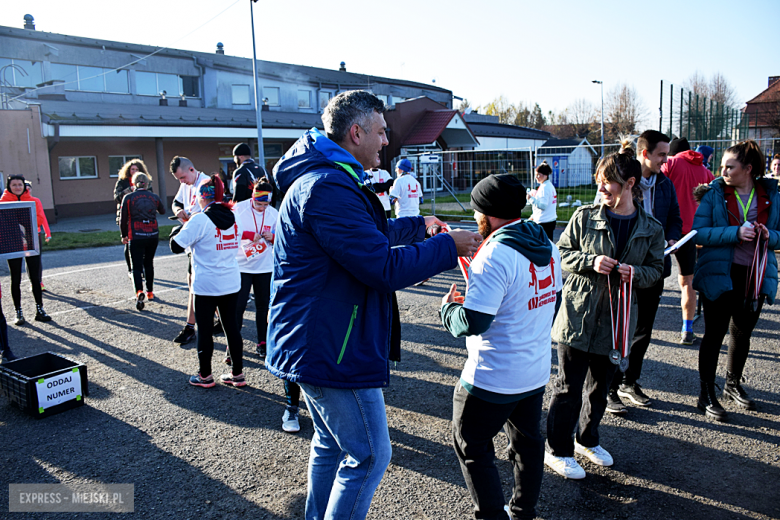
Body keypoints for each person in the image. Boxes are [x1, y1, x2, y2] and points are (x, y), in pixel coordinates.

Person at [266, 90, 481, 519]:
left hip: (322, 340)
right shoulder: (327, 186)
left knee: (331, 443)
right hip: (332, 347)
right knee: (368, 456)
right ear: (356, 132)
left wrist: (419, 226)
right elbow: (381, 265)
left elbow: (367, 234)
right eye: (381, 132)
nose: (387, 141)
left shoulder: (330, 176)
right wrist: (444, 245)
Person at [440, 174, 562, 520]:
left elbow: (474, 323)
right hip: (534, 371)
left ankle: (491, 516)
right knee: (527, 444)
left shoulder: (493, 253)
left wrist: (448, 310)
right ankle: (523, 511)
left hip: (491, 376)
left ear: (486, 214)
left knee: (472, 445)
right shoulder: (546, 244)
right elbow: (551, 300)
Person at [544, 142, 664, 479]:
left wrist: (636, 273)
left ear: (629, 184)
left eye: (606, 182)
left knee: (599, 388)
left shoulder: (651, 228)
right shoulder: (584, 217)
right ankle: (557, 449)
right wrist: (590, 261)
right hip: (578, 317)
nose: (600, 188)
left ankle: (587, 439)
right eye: (598, 180)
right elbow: (562, 254)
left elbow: (657, 270)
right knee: (568, 388)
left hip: (618, 320)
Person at [692, 140, 780, 421]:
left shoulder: (772, 195)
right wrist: (734, 233)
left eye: (729, 166)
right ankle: (705, 394)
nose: (723, 171)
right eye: (721, 166)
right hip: (719, 273)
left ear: (748, 168)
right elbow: (699, 233)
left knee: (742, 333)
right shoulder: (714, 193)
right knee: (715, 334)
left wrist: (770, 236)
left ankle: (733, 384)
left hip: (755, 274)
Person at [607, 131, 681, 414]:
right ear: (645, 153)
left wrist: (673, 238)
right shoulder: (626, 181)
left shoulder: (665, 184)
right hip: (624, 269)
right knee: (618, 330)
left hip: (653, 268)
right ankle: (610, 388)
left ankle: (629, 381)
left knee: (643, 331)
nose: (666, 159)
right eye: (662, 154)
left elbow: (674, 217)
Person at [169, 174, 245, 388]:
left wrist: (181, 228)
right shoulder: (235, 216)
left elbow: (175, 246)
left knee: (204, 330)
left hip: (206, 284)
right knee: (232, 328)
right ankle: (237, 374)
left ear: (202, 197)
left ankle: (205, 375)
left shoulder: (200, 219)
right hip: (231, 281)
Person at [662, 138, 715, 344]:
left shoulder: (671, 164)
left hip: (668, 231)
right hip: (694, 234)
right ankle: (687, 329)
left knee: (651, 279)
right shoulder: (706, 172)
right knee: (687, 282)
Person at [0, 175, 53, 325]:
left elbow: (39, 219)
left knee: (35, 277)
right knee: (15, 278)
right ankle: (18, 311)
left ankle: (40, 309)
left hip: (31, 242)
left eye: (20, 184)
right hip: (13, 243)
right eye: (14, 185)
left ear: (24, 186)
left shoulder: (33, 201)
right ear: (9, 186)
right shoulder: (3, 202)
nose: (17, 187)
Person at [170, 156, 210, 346]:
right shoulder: (186, 184)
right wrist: (178, 211)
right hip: (191, 239)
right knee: (193, 283)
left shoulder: (206, 182)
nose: (182, 182)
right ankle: (198, 324)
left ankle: (190, 327)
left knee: (196, 284)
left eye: (183, 177)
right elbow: (176, 202)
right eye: (179, 180)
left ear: (192, 170)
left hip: (205, 241)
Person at [119, 172, 165, 310]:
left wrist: (124, 235)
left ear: (133, 183)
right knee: (149, 263)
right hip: (152, 234)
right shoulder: (154, 197)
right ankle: (150, 292)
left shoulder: (128, 197)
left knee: (136, 266)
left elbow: (123, 219)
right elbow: (163, 211)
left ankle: (139, 291)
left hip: (136, 234)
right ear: (148, 183)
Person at [115, 159, 151, 279]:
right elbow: (117, 196)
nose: (134, 171)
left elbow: (150, 196)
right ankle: (132, 269)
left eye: (137, 169)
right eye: (132, 169)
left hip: (141, 216)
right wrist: (128, 190)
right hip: (127, 216)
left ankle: (143, 269)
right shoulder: (123, 181)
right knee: (129, 243)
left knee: (143, 243)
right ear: (128, 170)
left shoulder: (145, 182)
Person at [22, 180, 51, 292]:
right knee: (28, 259)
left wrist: (48, 233)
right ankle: (32, 281)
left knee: (37, 259)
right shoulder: (18, 202)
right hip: (23, 235)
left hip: (36, 234)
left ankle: (39, 281)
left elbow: (42, 217)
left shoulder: (35, 201)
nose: (27, 190)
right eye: (25, 187)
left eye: (29, 188)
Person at [526, 161, 558, 241]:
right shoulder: (549, 186)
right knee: (548, 244)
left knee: (541, 246)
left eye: (538, 175)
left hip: (544, 223)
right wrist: (533, 216)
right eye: (535, 175)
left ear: (545, 175)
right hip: (549, 221)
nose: (536, 177)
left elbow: (543, 206)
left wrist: (530, 198)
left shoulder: (544, 188)